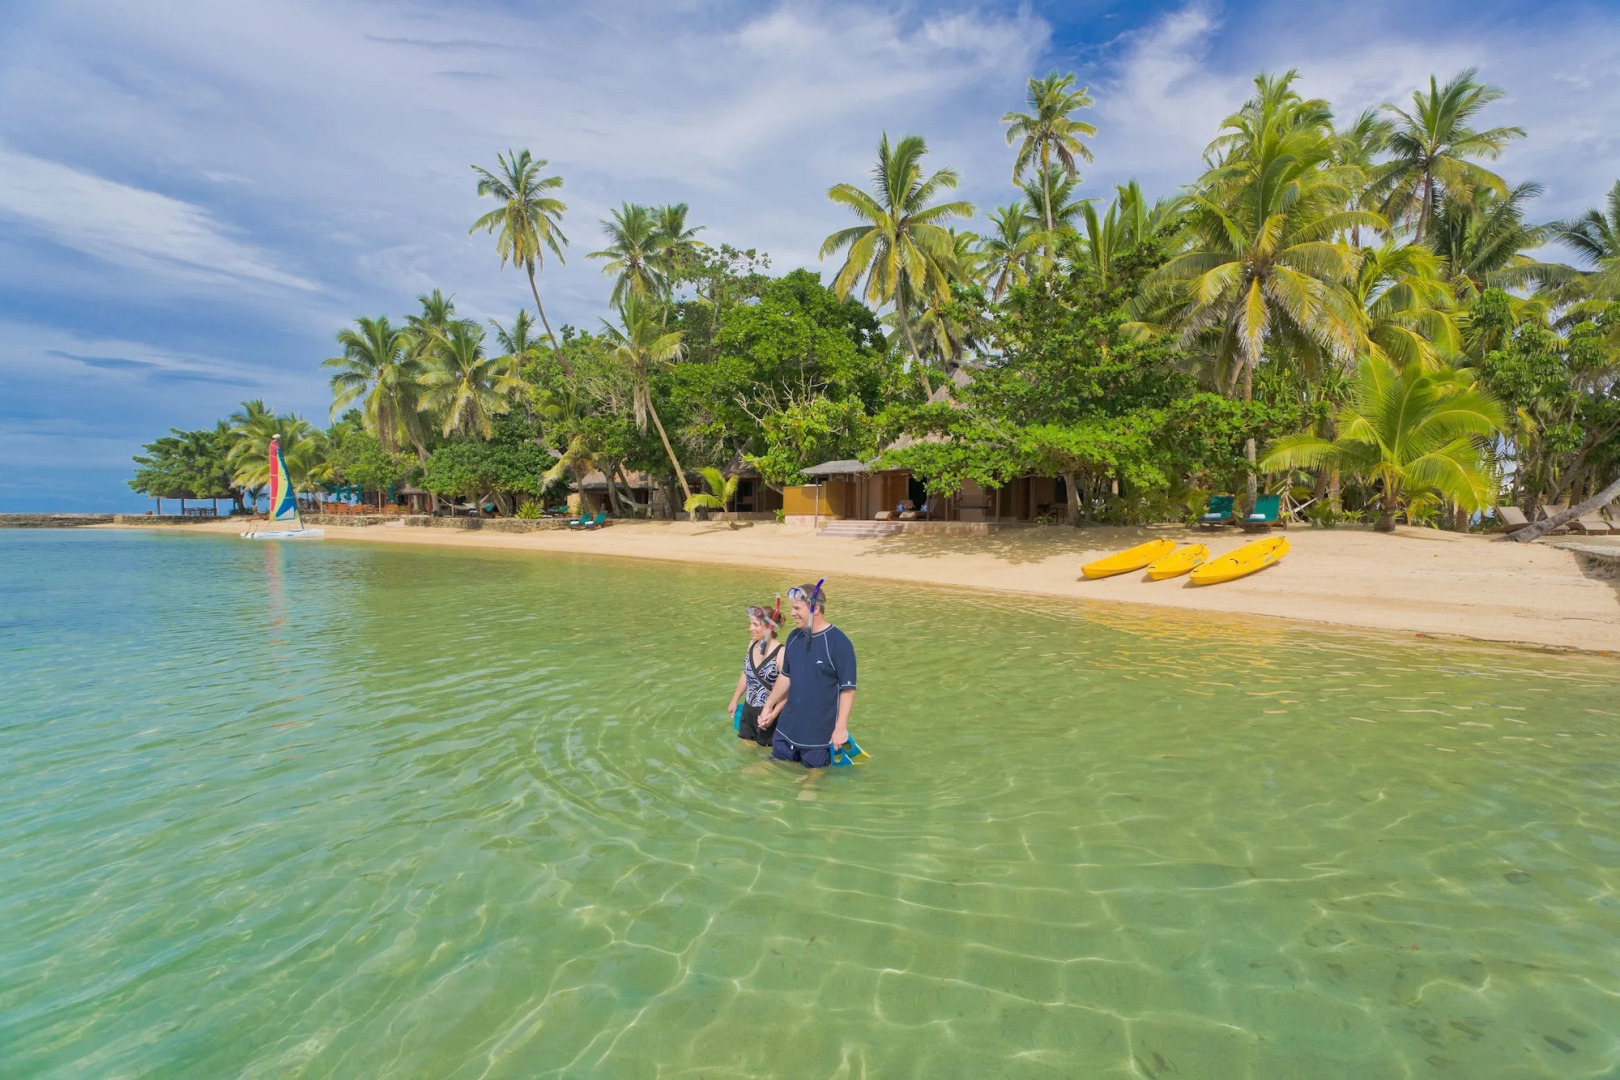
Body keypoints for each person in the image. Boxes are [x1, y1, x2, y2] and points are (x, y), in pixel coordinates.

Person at [758, 580, 856, 769]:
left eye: (797, 608)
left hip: (817, 735)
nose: (792, 613)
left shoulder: (838, 643)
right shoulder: (794, 637)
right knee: (771, 772)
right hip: (787, 729)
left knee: (809, 788)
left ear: (815, 609)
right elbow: (786, 676)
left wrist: (841, 727)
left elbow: (848, 689)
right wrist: (768, 706)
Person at [726, 600, 783, 747]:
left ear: (770, 627)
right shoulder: (752, 644)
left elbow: (786, 690)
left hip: (768, 716)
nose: (750, 628)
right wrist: (734, 699)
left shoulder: (781, 653)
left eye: (756, 625)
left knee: (764, 757)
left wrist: (773, 714)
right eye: (751, 623)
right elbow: (746, 674)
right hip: (748, 709)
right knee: (743, 752)